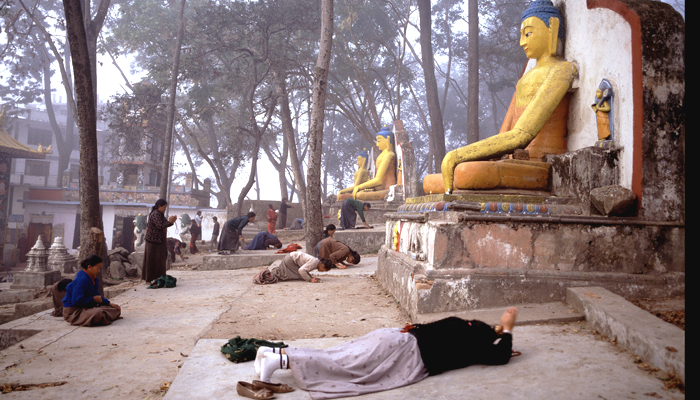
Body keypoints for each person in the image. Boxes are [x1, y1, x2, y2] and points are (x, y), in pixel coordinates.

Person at [256, 307, 518, 399]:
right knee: (349, 370)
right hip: (404, 351)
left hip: (394, 335)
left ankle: (274, 352)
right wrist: (506, 330)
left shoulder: (458, 323)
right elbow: (500, 357)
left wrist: (499, 329)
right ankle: (279, 360)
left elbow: (421, 326)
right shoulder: (472, 345)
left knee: (339, 354)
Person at [62, 255, 122, 327]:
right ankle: (79, 320)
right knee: (99, 313)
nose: (99, 271)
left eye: (100, 268)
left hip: (86, 308)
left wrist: (109, 303)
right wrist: (93, 299)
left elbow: (97, 295)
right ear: (89, 267)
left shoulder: (93, 278)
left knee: (115, 310)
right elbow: (76, 301)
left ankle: (95, 318)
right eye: (98, 268)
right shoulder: (81, 280)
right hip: (74, 312)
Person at [143, 199, 178, 282]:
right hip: (153, 241)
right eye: (164, 207)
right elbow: (160, 225)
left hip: (159, 240)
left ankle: (159, 277)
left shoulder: (160, 214)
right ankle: (150, 278)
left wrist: (171, 222)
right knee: (152, 260)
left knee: (160, 259)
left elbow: (165, 223)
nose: (165, 209)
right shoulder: (155, 214)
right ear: (159, 206)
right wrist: (170, 222)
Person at [253, 252, 334, 284]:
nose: (322, 271)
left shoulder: (315, 262)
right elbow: (302, 270)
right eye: (324, 270)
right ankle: (268, 274)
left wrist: (310, 277)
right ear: (323, 265)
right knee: (292, 275)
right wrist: (309, 279)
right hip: (291, 260)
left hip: (291, 258)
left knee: (291, 274)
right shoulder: (314, 262)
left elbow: (305, 269)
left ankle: (272, 274)